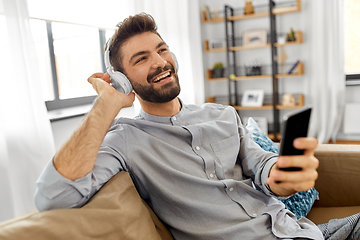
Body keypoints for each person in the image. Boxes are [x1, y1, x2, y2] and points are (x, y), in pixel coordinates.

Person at [34, 13, 336, 240]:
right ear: (122, 79)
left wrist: (279, 175)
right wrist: (107, 103)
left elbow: (259, 162)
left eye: (161, 50)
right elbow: (53, 196)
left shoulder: (222, 114)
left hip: (300, 231)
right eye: (142, 58)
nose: (160, 62)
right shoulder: (125, 140)